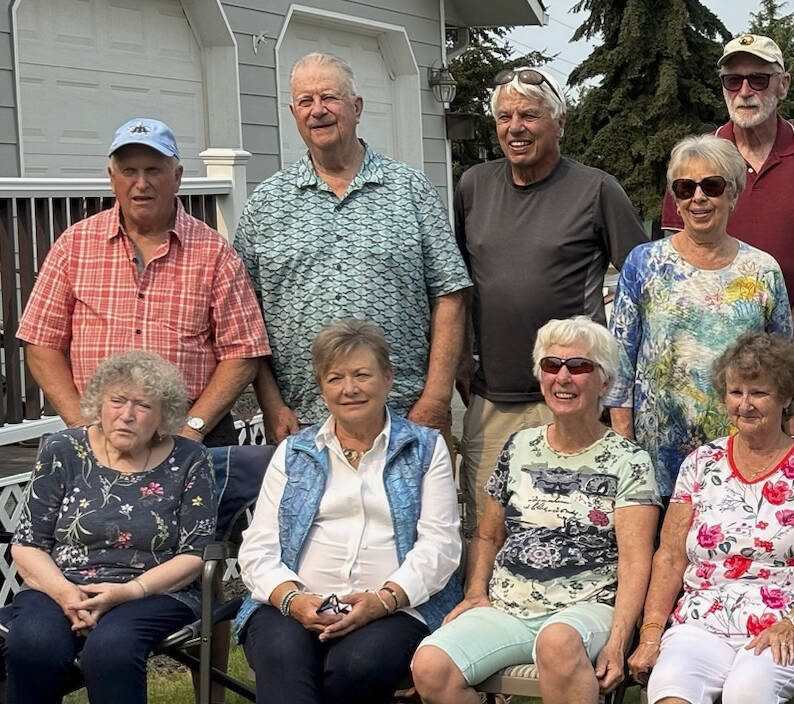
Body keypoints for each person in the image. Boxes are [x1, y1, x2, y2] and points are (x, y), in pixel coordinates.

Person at [412, 317, 660, 703]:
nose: (562, 377)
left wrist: (618, 641)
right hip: (510, 607)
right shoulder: (518, 446)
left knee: (557, 642)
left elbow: (635, 561)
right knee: (430, 664)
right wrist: (476, 591)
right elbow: (489, 534)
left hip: (585, 610)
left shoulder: (629, 461)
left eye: (578, 366)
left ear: (605, 383)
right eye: (551, 365)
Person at [235, 52, 472, 440]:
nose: (318, 111)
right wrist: (272, 405)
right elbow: (244, 316)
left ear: (356, 107)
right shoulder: (266, 203)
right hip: (305, 422)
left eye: (329, 98)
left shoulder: (409, 190)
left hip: (407, 416)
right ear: (293, 113)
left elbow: (450, 294)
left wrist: (436, 396)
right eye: (305, 102)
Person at [454, 65, 647, 525]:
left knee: (572, 526)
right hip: (493, 399)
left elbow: (643, 282)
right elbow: (457, 284)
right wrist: (462, 357)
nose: (515, 128)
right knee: (486, 529)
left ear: (559, 123)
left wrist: (619, 386)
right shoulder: (473, 186)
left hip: (570, 395)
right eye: (504, 117)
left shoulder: (595, 188)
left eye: (529, 115)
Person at [235, 319, 462, 704]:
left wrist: (383, 601)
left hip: (398, 608)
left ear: (388, 379)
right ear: (322, 387)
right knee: (282, 654)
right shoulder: (294, 452)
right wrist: (293, 600)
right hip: (293, 603)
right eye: (335, 378)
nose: (350, 389)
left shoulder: (425, 448)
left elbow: (439, 546)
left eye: (362, 375)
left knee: (359, 662)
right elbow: (258, 548)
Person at [626, 332, 794, 703]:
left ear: (784, 398)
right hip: (703, 622)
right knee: (669, 687)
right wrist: (651, 634)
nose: (744, 404)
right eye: (736, 392)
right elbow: (669, 557)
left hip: (790, 622)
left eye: (758, 393)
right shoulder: (701, 464)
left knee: (747, 689)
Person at [17, 118, 270, 447]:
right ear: (112, 179)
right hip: (101, 431)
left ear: (176, 177)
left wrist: (193, 428)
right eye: (129, 171)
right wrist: (81, 425)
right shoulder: (74, 245)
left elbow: (243, 351)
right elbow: (41, 343)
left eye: (153, 170)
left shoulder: (213, 252)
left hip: (190, 431)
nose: (141, 183)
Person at [659, 33, 794, 450]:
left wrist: (780, 339)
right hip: (709, 349)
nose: (745, 91)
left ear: (783, 85)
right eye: (733, 81)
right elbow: (676, 269)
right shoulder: (697, 159)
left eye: (759, 80)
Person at [0, 351, 216, 704]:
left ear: (165, 415)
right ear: (98, 402)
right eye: (117, 401)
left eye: (143, 406)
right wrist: (66, 594)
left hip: (155, 592)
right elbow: (28, 544)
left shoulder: (190, 460)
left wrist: (129, 591)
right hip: (61, 584)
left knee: (112, 648)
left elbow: (196, 553)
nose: (126, 416)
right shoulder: (63, 449)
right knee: (33, 642)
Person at [606, 136, 794, 497]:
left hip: (745, 457)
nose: (698, 197)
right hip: (657, 463)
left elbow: (785, 374)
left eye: (712, 185)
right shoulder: (643, 265)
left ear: (733, 194)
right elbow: (620, 371)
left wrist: (791, 445)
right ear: (675, 200)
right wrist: (626, 454)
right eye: (685, 187)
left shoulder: (762, 270)